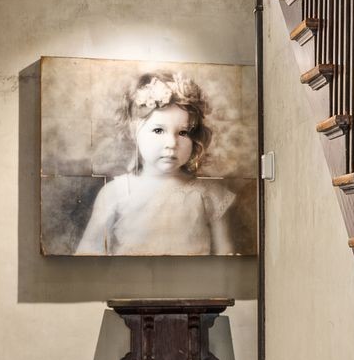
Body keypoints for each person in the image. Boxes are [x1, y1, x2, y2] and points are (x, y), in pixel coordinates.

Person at [75, 71, 244, 256]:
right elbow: (88, 252)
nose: (171, 144)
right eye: (158, 130)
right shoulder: (116, 192)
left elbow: (225, 257)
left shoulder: (209, 194)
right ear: (133, 131)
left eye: (183, 132)